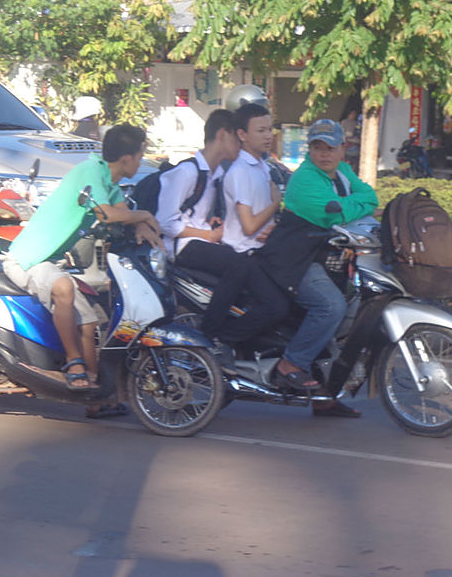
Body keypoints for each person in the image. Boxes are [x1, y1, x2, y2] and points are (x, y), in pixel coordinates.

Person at [1, 125, 162, 402]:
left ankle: (94, 393)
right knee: (64, 288)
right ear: (126, 159)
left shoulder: (109, 184)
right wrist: (145, 214)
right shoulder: (89, 172)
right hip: (28, 259)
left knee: (89, 321)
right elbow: (107, 214)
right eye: (140, 154)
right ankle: (74, 364)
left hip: (50, 262)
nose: (141, 160)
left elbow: (123, 212)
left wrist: (144, 227)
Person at [256, 119, 378, 417]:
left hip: (328, 259)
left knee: (350, 313)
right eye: (317, 147)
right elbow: (333, 214)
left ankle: (325, 396)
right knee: (331, 307)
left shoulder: (343, 172)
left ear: (342, 149)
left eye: (330, 148)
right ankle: (292, 362)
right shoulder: (304, 179)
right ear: (309, 149)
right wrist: (350, 204)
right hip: (296, 260)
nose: (324, 154)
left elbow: (371, 198)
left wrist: (351, 203)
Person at [156, 109, 289, 358]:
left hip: (204, 239)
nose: (240, 145)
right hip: (184, 247)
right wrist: (206, 235)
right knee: (239, 265)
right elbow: (165, 221)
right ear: (222, 135)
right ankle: (211, 335)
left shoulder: (216, 174)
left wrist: (211, 222)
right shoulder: (186, 172)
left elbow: (199, 210)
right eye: (236, 139)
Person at [221, 102, 283, 253]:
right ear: (242, 135)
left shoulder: (262, 165)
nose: (268, 136)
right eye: (261, 131)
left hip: (261, 247)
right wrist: (276, 203)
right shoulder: (240, 171)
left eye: (270, 129)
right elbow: (249, 227)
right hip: (242, 251)